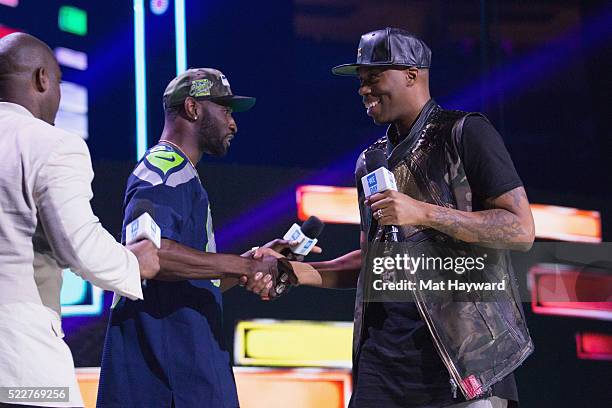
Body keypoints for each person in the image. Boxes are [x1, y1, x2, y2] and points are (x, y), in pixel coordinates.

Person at [266, 28, 535, 408]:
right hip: (384, 364)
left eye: (373, 78)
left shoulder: (465, 132)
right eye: (360, 82)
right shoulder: (369, 162)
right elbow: (375, 263)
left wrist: (422, 212)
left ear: (412, 73)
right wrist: (300, 273)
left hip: (460, 360)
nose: (363, 90)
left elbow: (520, 229)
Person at [96, 68, 299, 408]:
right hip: (165, 381)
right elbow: (150, 254)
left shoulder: (183, 175)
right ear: (192, 108)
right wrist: (244, 266)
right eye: (225, 110)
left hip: (184, 372)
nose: (232, 124)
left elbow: (192, 282)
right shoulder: (163, 170)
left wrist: (249, 263)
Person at [0, 33, 160, 408]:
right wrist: (135, 263)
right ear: (42, 79)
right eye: (58, 81)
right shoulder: (50, 144)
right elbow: (80, 245)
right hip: (20, 370)